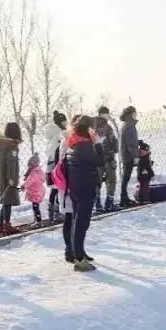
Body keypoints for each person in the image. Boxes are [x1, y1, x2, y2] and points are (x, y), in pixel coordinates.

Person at [65, 115, 103, 272]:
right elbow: (100, 160)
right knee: (81, 222)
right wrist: (99, 144)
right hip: (86, 186)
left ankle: (78, 252)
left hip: (76, 186)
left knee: (77, 220)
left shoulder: (73, 143)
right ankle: (79, 259)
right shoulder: (85, 145)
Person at [0, 122, 22, 233]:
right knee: (8, 201)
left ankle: (1, 223)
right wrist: (11, 178)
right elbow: (11, 162)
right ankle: (7, 224)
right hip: (9, 178)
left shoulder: (2, 144)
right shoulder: (12, 146)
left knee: (5, 200)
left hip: (2, 176)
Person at [44, 111, 67, 222]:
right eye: (64, 121)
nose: (66, 123)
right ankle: (57, 213)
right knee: (59, 188)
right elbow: (60, 152)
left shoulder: (52, 136)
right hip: (58, 166)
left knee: (54, 190)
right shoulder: (60, 136)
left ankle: (51, 214)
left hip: (50, 166)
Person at [93, 113, 119, 211]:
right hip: (108, 158)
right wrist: (114, 150)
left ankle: (97, 204)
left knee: (97, 182)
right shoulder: (108, 128)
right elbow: (114, 143)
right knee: (111, 181)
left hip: (96, 159)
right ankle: (109, 203)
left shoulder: (91, 127)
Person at [119, 106, 139, 207]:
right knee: (126, 177)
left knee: (125, 177)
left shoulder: (126, 125)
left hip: (125, 154)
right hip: (128, 155)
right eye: (135, 112)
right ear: (131, 113)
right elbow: (131, 142)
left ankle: (124, 197)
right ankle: (123, 198)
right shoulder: (130, 126)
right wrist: (135, 156)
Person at [22, 143, 45, 223]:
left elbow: (29, 182)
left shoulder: (34, 173)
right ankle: (37, 219)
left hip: (35, 193)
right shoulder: (39, 171)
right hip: (38, 191)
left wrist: (23, 186)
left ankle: (38, 221)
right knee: (36, 206)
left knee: (35, 207)